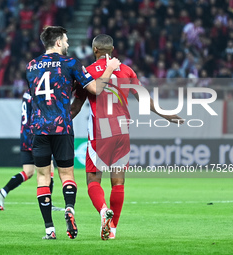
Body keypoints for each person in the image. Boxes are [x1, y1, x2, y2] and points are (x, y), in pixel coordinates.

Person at [71, 34, 183, 240]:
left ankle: (104, 212)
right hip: (122, 130)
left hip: (99, 130)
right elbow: (144, 99)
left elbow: (76, 106)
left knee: (93, 179)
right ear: (112, 49)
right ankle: (112, 230)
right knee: (118, 181)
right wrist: (166, 114)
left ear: (95, 50)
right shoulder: (127, 70)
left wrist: (59, 122)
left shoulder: (86, 72)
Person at [26, 26, 120, 240]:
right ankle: (69, 209)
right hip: (62, 127)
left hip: (39, 127)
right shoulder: (70, 64)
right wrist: (109, 69)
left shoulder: (31, 66)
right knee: (67, 175)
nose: (68, 44)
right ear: (58, 42)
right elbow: (96, 89)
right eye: (66, 40)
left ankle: (49, 229)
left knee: (42, 177)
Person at [0, 90, 61, 211]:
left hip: (25, 136)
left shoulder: (26, 94)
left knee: (28, 171)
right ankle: (48, 203)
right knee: (48, 168)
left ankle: (3, 192)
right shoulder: (38, 92)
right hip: (36, 134)